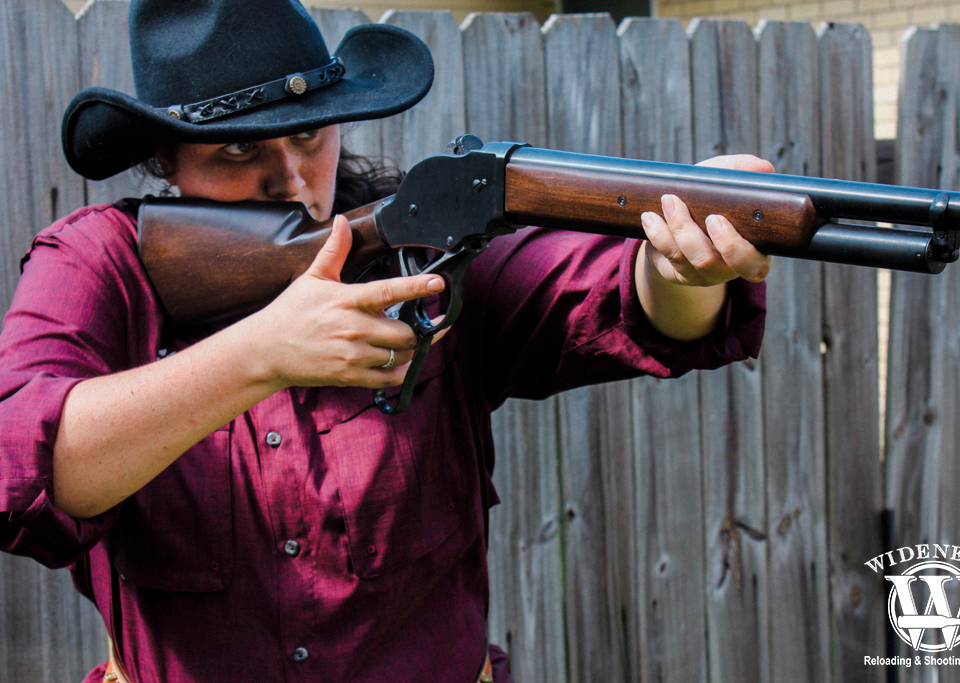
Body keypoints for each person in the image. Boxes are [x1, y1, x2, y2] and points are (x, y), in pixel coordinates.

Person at [0, 1, 770, 681]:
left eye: (308, 135)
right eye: (238, 151)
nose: (294, 181)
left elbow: (617, 297)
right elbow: (21, 469)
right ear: (165, 159)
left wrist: (679, 269)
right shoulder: (102, 262)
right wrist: (258, 355)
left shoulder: (417, 243)